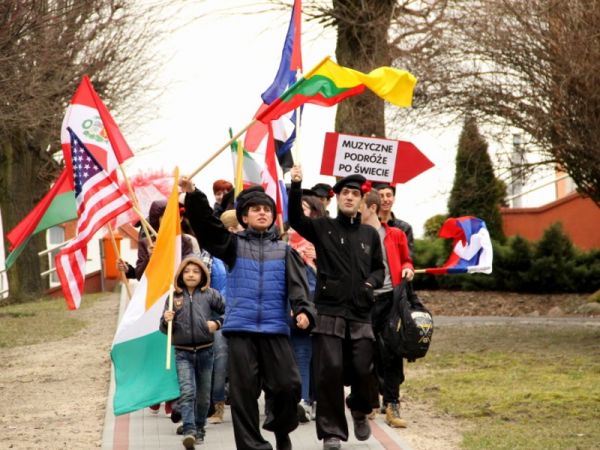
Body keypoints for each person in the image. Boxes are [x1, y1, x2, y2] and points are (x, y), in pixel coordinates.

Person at [179, 177, 316, 450]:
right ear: (244, 217)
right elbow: (208, 227)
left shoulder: (285, 251)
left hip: (275, 330)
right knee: (243, 396)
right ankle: (254, 447)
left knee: (289, 386)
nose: (262, 212)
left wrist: (303, 311)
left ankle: (280, 428)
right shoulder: (233, 246)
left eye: (266, 209)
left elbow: (299, 288)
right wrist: (194, 194)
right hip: (241, 331)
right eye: (255, 209)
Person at [288, 167, 385, 450]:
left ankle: (358, 407)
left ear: (361, 202)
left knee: (363, 368)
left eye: (355, 194)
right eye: (345, 193)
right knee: (329, 370)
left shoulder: (370, 234)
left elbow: (379, 270)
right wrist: (296, 186)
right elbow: (295, 218)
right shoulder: (323, 227)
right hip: (329, 310)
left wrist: (369, 285)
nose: (350, 197)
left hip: (360, 312)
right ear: (338, 197)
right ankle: (332, 432)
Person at [360, 191, 414, 428]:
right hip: (364, 302)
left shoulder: (395, 234)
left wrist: (408, 269)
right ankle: (369, 401)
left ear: (371, 208)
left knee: (392, 353)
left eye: (361, 207)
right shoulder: (355, 235)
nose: (356, 211)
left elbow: (406, 259)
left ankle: (392, 404)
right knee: (364, 353)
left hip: (390, 300)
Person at [160, 256, 225, 449]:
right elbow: (164, 329)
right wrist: (166, 320)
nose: (191, 275)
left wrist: (217, 323)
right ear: (180, 274)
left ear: (203, 275)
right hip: (183, 353)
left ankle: (199, 429)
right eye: (187, 271)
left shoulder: (210, 295)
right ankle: (189, 430)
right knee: (187, 392)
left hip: (206, 352)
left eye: (196, 272)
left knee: (204, 396)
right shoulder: (173, 297)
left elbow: (229, 312)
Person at [287, 195, 326, 422]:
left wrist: (319, 258)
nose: (300, 212)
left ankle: (311, 399)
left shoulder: (323, 238)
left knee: (314, 357)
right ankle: (300, 400)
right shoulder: (286, 240)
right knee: (298, 352)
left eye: (305, 208)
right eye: (298, 208)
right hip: (294, 306)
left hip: (318, 305)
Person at [373, 183, 414, 257]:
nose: (385, 199)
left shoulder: (405, 228)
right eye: (381, 196)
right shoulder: (368, 226)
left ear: (394, 198)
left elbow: (407, 257)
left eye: (388, 195)